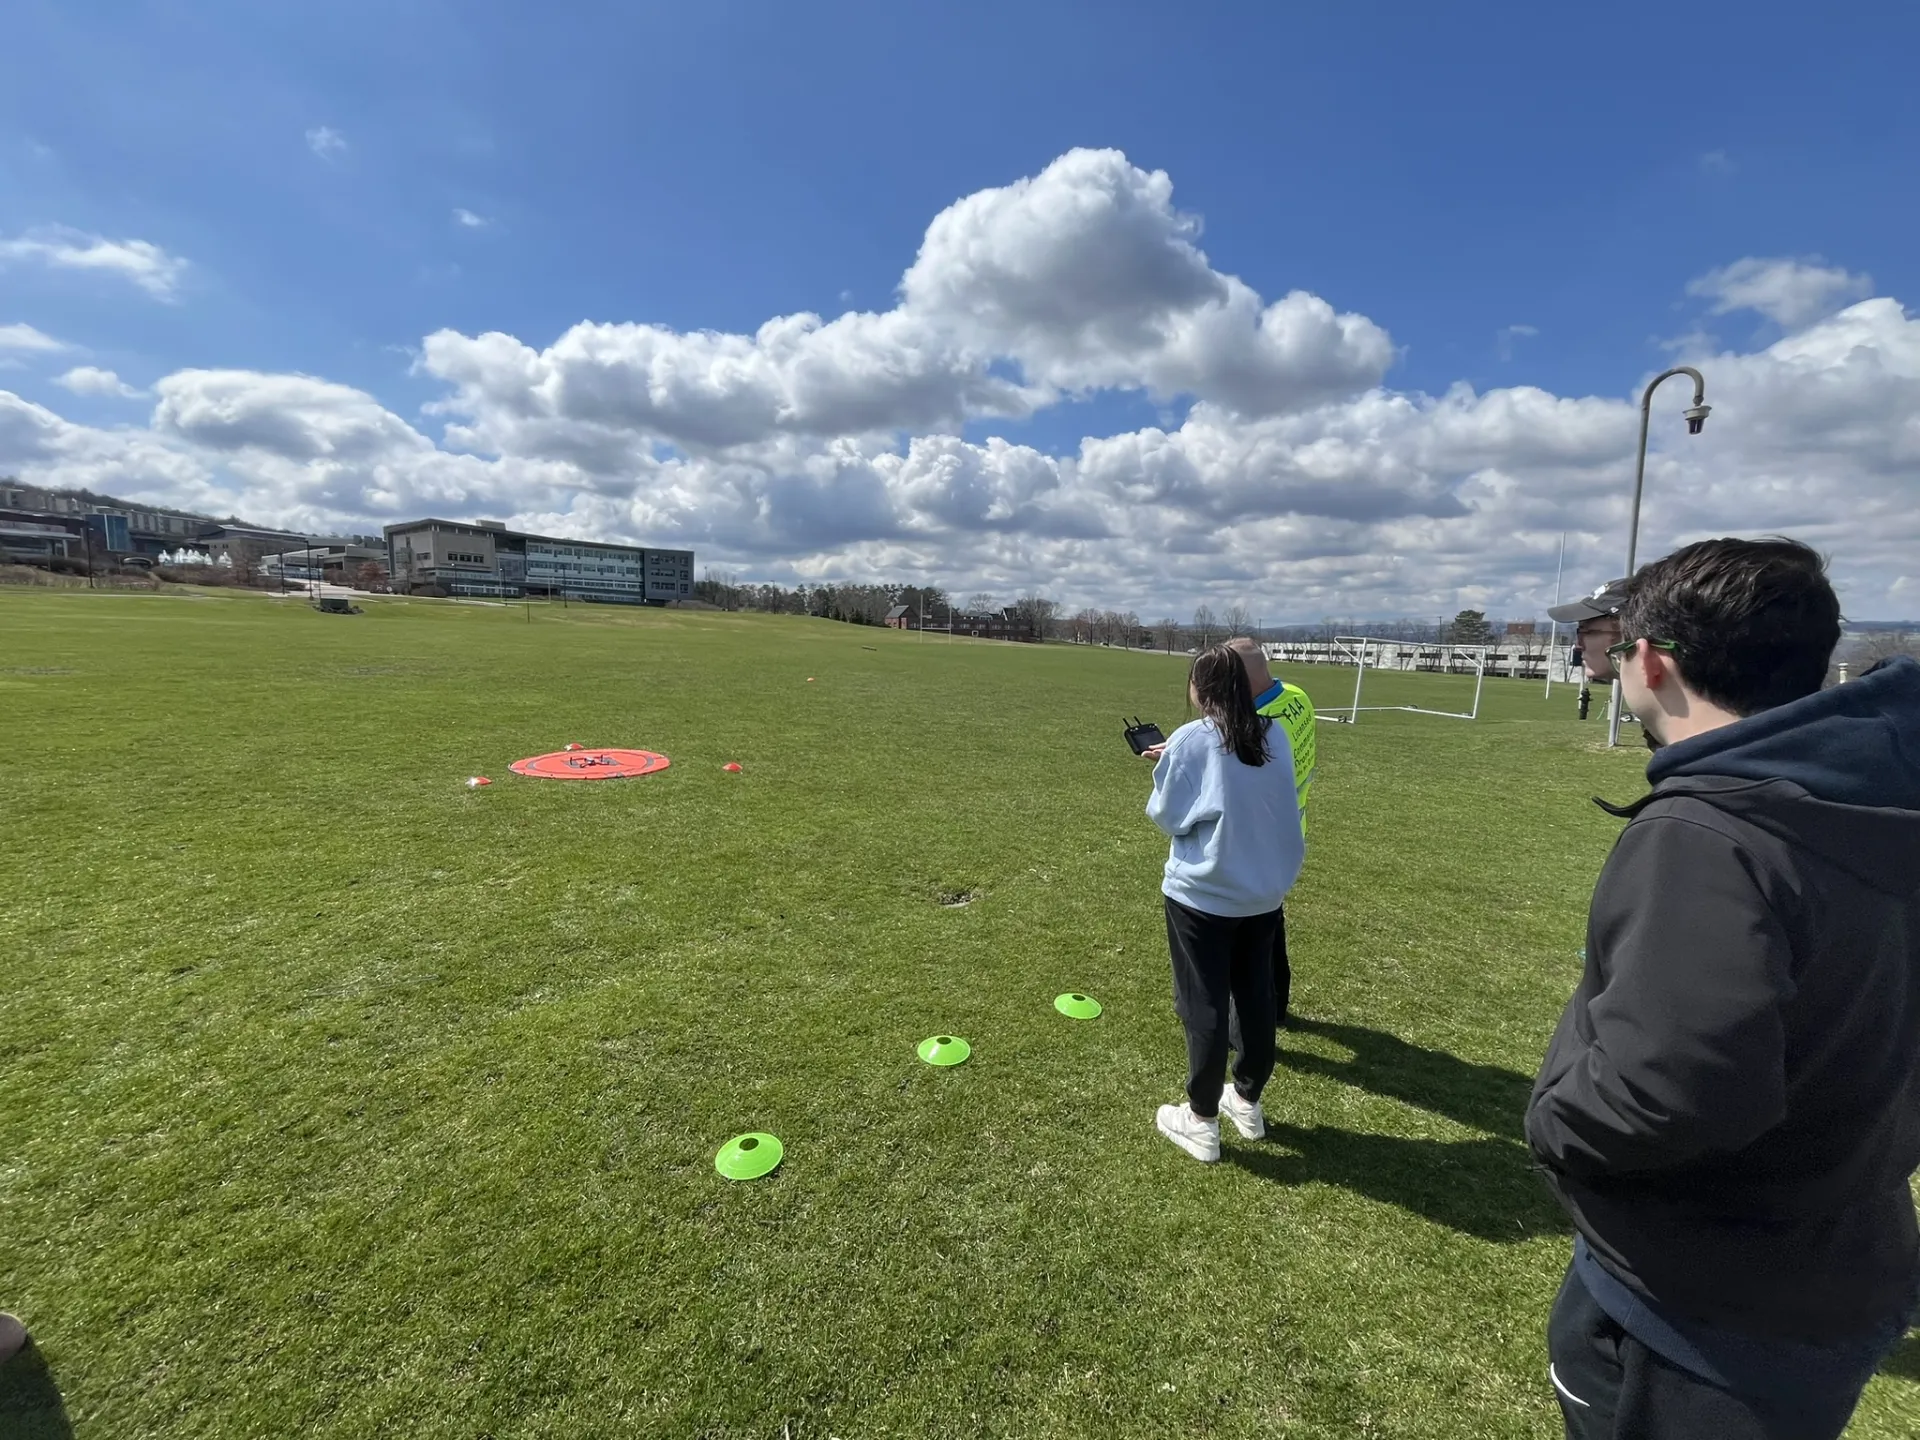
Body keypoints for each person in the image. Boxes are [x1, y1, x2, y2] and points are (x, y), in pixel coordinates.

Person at [1527, 537, 1920, 1438]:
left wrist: (1551, 1119)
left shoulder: (1709, 832)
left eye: (1619, 649)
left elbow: (1670, 1086)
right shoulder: (1879, 799)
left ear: (1653, 661)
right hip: (1841, 1256)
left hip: (1705, 1308)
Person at [1145, 644, 1305, 1162]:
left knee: (1204, 1004)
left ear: (1203, 688)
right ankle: (1247, 1100)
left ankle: (1201, 1118)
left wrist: (1169, 763)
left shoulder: (1195, 737)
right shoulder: (1273, 732)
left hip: (1205, 897)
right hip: (1263, 894)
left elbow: (1169, 816)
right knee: (1255, 999)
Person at [1228, 636, 1315, 1028]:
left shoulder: (1257, 727)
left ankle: (1245, 1024)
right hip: (1289, 832)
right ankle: (1275, 1007)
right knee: (1269, 928)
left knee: (1243, 938)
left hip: (1258, 840)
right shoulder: (1296, 694)